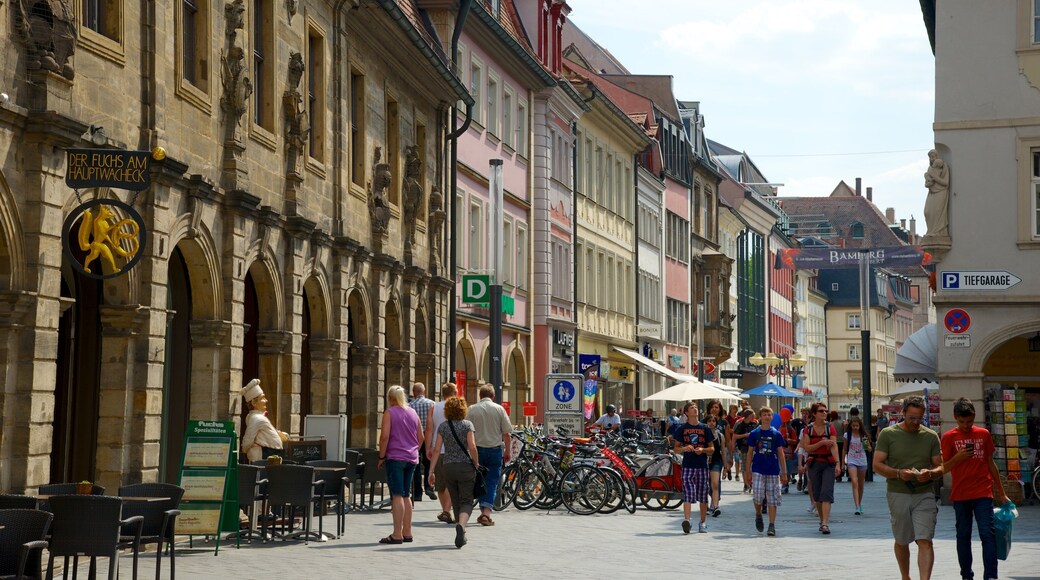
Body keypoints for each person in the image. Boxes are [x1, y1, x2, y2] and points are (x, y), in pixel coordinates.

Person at [873, 396, 943, 580]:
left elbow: (940, 465)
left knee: (925, 540)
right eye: (912, 417)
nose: (915, 422)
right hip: (898, 492)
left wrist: (931, 473)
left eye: (919, 418)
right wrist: (898, 473)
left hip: (925, 493)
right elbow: (877, 465)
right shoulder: (888, 434)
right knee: (902, 540)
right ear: (903, 413)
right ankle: (906, 576)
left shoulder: (930, 436)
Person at [941, 397, 1008, 580]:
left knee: (988, 534)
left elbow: (990, 463)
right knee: (963, 536)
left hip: (982, 492)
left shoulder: (983, 434)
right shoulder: (948, 437)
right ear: (955, 417)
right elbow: (944, 467)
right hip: (960, 493)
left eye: (969, 421)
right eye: (962, 422)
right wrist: (959, 457)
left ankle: (991, 576)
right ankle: (966, 575)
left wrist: (1001, 493)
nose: (966, 425)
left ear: (974, 416)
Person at [428, 396, 479, 549]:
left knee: (455, 500)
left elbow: (437, 449)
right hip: (465, 467)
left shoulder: (443, 426)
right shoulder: (467, 425)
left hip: (448, 467)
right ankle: (462, 526)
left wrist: (431, 470)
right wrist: (476, 462)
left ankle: (460, 530)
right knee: (466, 501)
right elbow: (472, 446)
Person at [376, 385, 424, 544]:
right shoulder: (412, 412)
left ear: (390, 398)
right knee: (406, 495)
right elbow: (421, 436)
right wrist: (414, 448)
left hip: (395, 457)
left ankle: (397, 534)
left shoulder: (390, 413)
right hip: (411, 458)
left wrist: (382, 456)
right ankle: (407, 532)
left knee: (396, 494)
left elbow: (384, 437)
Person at [466, 384, 512, 527]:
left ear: (480, 395)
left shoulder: (472, 409)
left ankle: (480, 508)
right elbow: (507, 434)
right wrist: (507, 451)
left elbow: (466, 431)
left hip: (477, 450)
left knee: (478, 480)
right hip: (494, 450)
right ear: (493, 396)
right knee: (492, 481)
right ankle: (486, 512)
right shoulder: (499, 409)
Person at [671, 401, 714, 534]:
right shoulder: (682, 429)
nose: (695, 409)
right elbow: (676, 449)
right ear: (686, 412)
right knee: (688, 494)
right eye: (692, 408)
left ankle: (702, 522)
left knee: (702, 495)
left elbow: (712, 449)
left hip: (702, 465)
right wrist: (684, 448)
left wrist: (703, 449)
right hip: (688, 465)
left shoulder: (705, 428)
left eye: (696, 407)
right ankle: (687, 521)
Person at [745, 406, 788, 537]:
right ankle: (758, 514)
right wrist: (747, 471)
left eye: (769, 414)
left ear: (772, 417)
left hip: (773, 470)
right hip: (758, 468)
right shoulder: (754, 434)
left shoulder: (776, 434)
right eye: (764, 414)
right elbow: (749, 453)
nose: (767, 417)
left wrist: (784, 473)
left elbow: (781, 454)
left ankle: (771, 525)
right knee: (758, 496)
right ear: (760, 417)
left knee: (772, 498)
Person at [801, 402, 840, 534]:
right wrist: (822, 442)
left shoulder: (830, 428)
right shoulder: (808, 429)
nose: (824, 413)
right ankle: (822, 520)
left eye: (825, 411)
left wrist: (838, 463)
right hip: (814, 462)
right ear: (814, 414)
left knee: (827, 492)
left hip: (828, 463)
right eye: (821, 411)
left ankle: (825, 523)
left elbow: (834, 446)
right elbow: (807, 448)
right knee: (817, 494)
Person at [426, 382, 458, 523]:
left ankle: (445, 510)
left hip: (437, 448)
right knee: (451, 482)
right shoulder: (457, 407)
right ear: (454, 393)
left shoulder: (434, 407)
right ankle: (446, 510)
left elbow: (429, 428)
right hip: (452, 449)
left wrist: (428, 447)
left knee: (440, 483)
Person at [240, 379, 288, 462]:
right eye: (263, 398)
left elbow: (264, 433)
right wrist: (244, 449)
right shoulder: (256, 418)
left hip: (272, 453)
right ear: (254, 403)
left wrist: (280, 435)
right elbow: (248, 440)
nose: (266, 400)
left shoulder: (255, 417)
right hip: (267, 454)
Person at [409, 382, 436, 502]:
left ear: (414, 393)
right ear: (424, 392)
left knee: (415, 464)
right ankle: (429, 487)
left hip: (415, 437)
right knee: (428, 462)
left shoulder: (410, 405)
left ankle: (417, 492)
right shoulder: (432, 404)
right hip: (429, 436)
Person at [845, 415, 872, 515]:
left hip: (862, 460)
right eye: (853, 426)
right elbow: (844, 449)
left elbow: (869, 449)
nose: (855, 427)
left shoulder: (863, 436)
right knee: (854, 481)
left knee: (861, 484)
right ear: (851, 426)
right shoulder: (847, 435)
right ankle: (856, 506)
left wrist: (868, 446)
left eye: (857, 426)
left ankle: (859, 504)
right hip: (852, 460)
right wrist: (840, 461)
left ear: (860, 426)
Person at [923, 148, 950, 237]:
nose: (932, 159)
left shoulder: (944, 167)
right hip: (932, 192)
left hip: (941, 192)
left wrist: (935, 178)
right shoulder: (929, 169)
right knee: (927, 212)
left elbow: (945, 183)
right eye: (930, 157)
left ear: (937, 157)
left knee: (938, 211)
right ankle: (930, 231)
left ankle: (938, 232)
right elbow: (926, 184)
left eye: (933, 157)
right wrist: (929, 182)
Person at [705, 414, 727, 517]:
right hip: (703, 462)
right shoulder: (703, 434)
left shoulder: (720, 436)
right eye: (709, 421)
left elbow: (723, 451)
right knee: (705, 485)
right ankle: (706, 506)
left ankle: (715, 506)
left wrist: (726, 467)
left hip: (716, 462)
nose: (711, 423)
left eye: (713, 421)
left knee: (715, 484)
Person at [732, 409, 757, 491]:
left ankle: (750, 482)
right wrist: (745, 435)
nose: (753, 417)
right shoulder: (741, 425)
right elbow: (735, 436)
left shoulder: (754, 424)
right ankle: (746, 484)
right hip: (743, 447)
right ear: (748, 416)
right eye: (752, 415)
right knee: (744, 466)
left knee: (752, 466)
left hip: (753, 448)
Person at [779, 409, 798, 494]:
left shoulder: (790, 430)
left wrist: (790, 441)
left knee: (787, 469)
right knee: (782, 468)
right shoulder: (777, 429)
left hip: (789, 452)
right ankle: (784, 484)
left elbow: (795, 441)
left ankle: (786, 483)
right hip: (780, 452)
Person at [831, 410, 847, 482]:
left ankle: (836, 473)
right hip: (841, 441)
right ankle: (841, 472)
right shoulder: (842, 423)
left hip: (834, 442)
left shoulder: (830, 424)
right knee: (841, 457)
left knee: (835, 458)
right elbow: (844, 431)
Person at [725, 404, 740, 480]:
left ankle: (737, 475)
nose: (735, 410)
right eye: (733, 409)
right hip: (728, 441)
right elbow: (726, 429)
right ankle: (729, 469)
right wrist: (730, 430)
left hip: (737, 442)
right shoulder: (727, 419)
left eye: (736, 409)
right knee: (729, 459)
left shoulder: (739, 419)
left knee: (737, 458)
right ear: (730, 409)